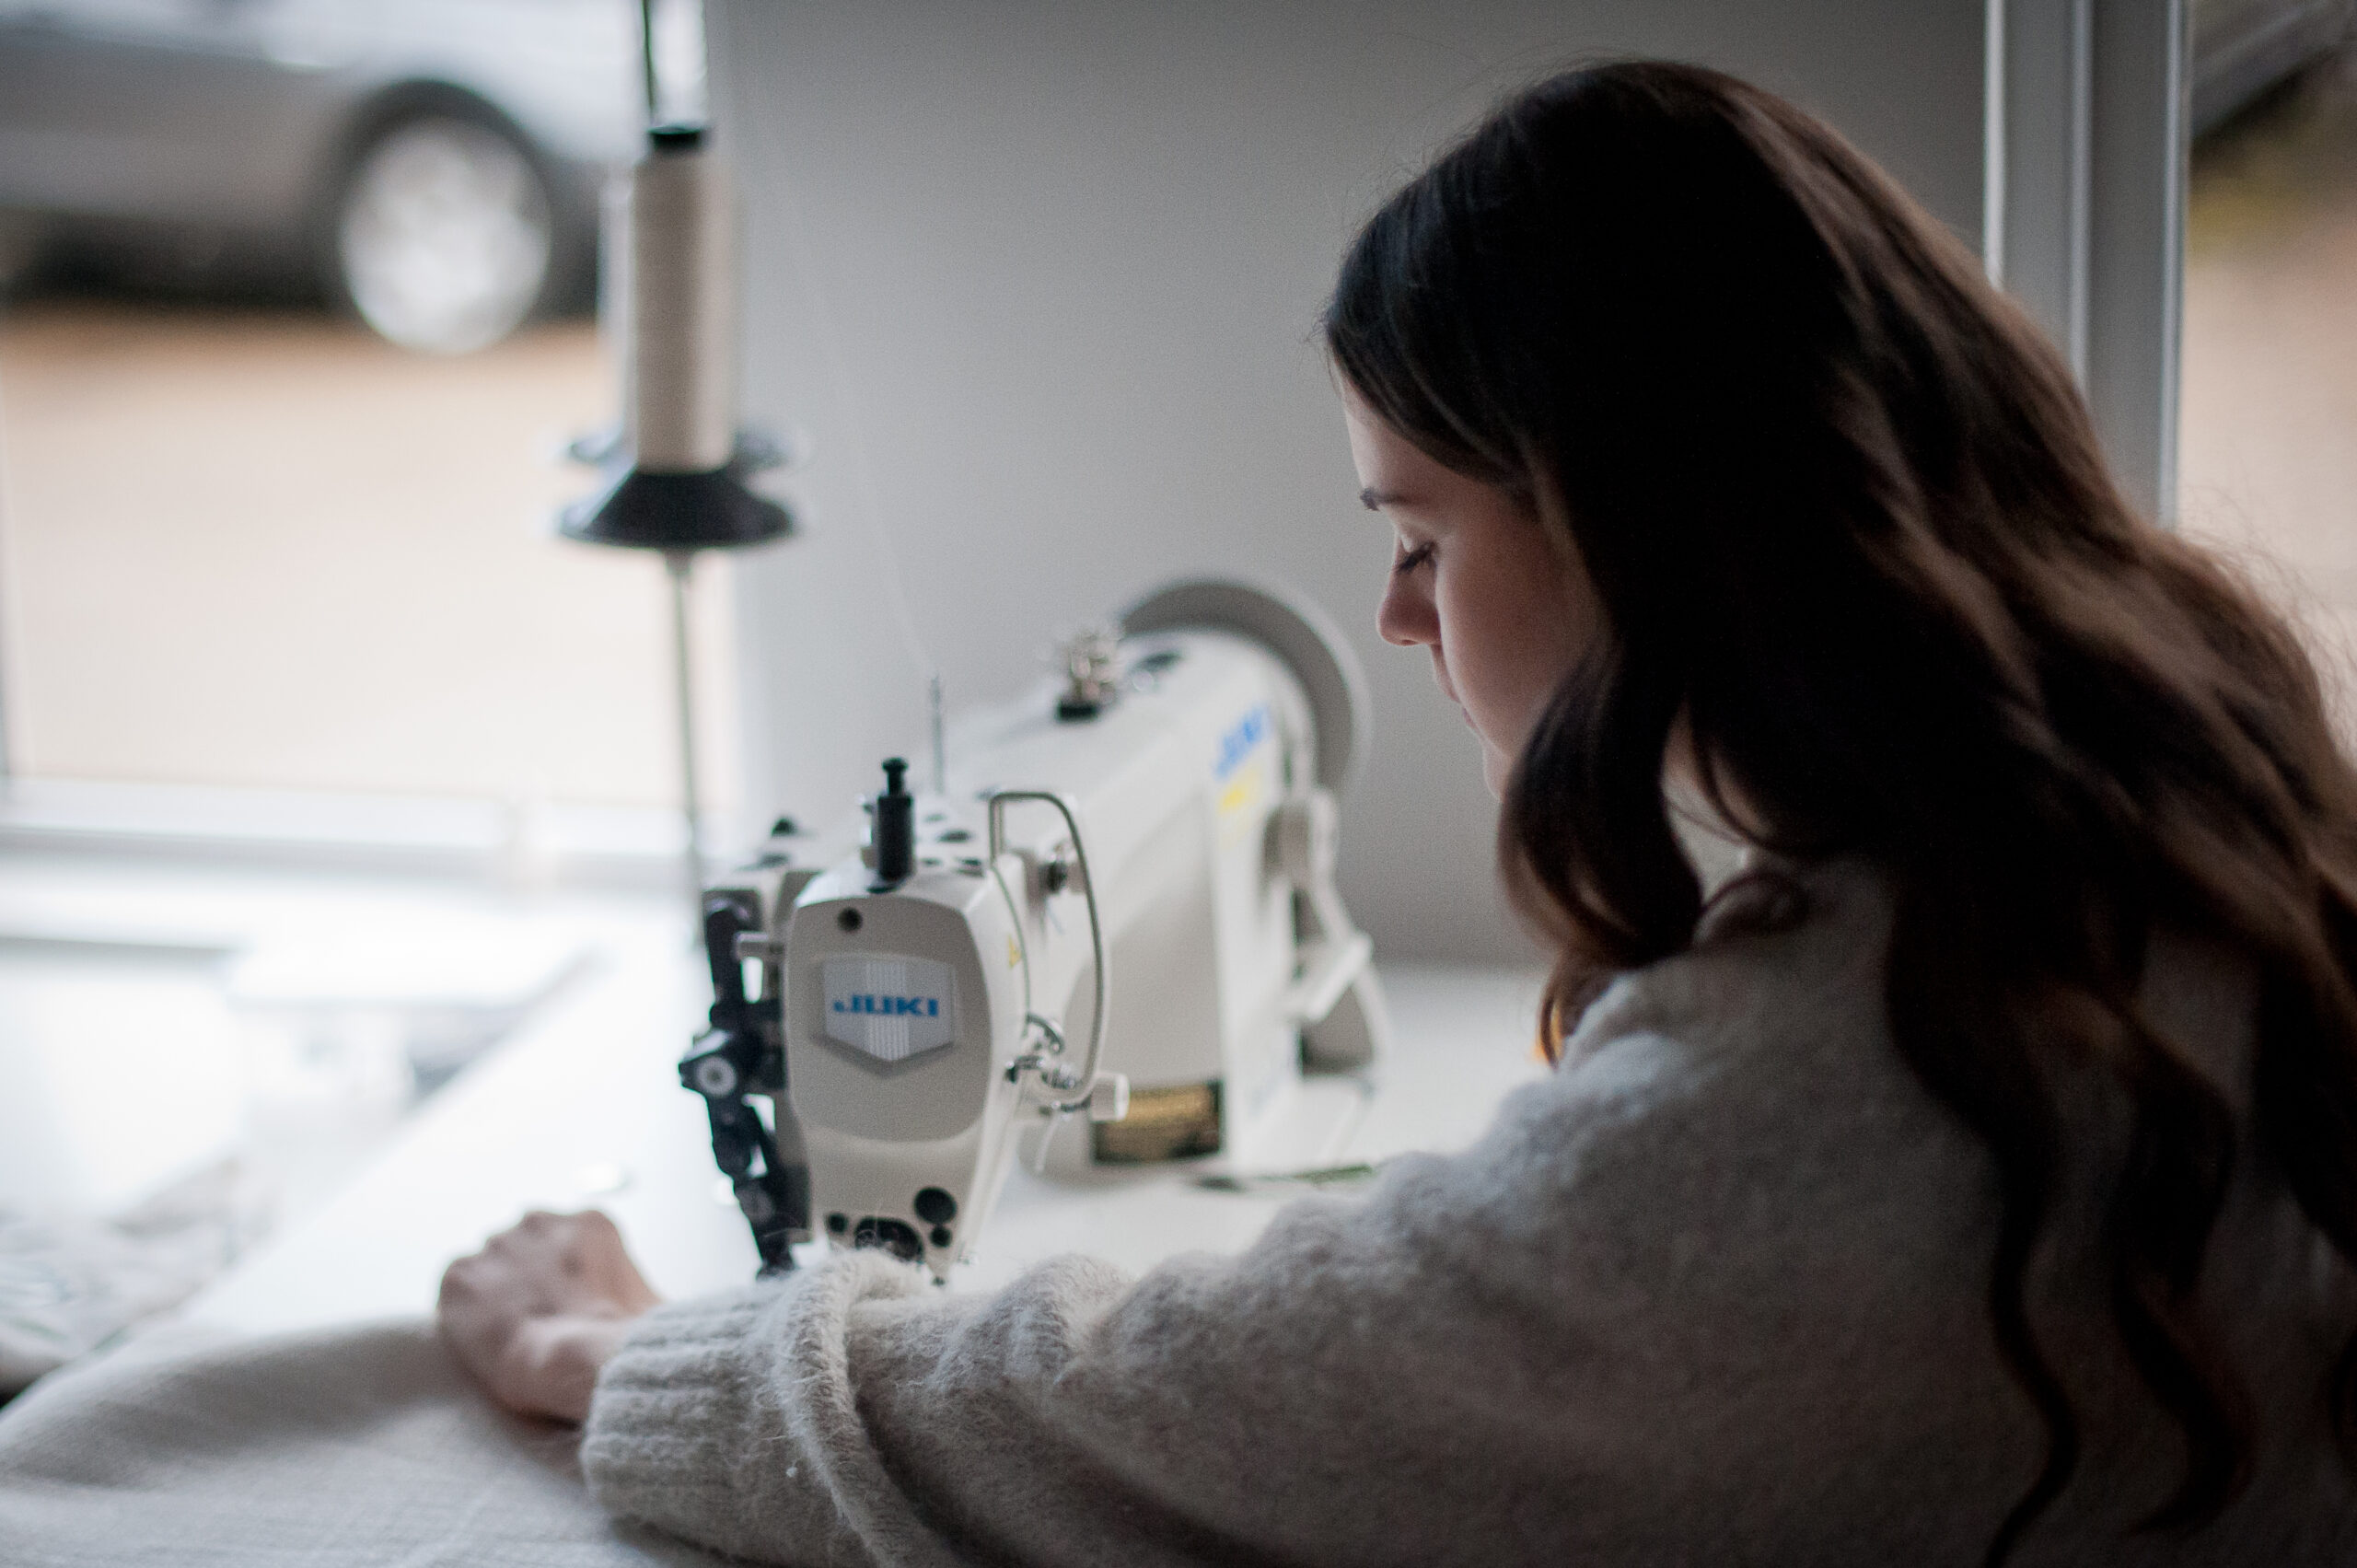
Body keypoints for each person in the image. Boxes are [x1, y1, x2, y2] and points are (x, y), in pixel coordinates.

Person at [438, 60, 2357, 1565]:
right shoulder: (2174, 827)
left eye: (1421, 532)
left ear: (1620, 511)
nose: (1394, 614)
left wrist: (633, 1355)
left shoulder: (1854, 1082)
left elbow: (1194, 1418)